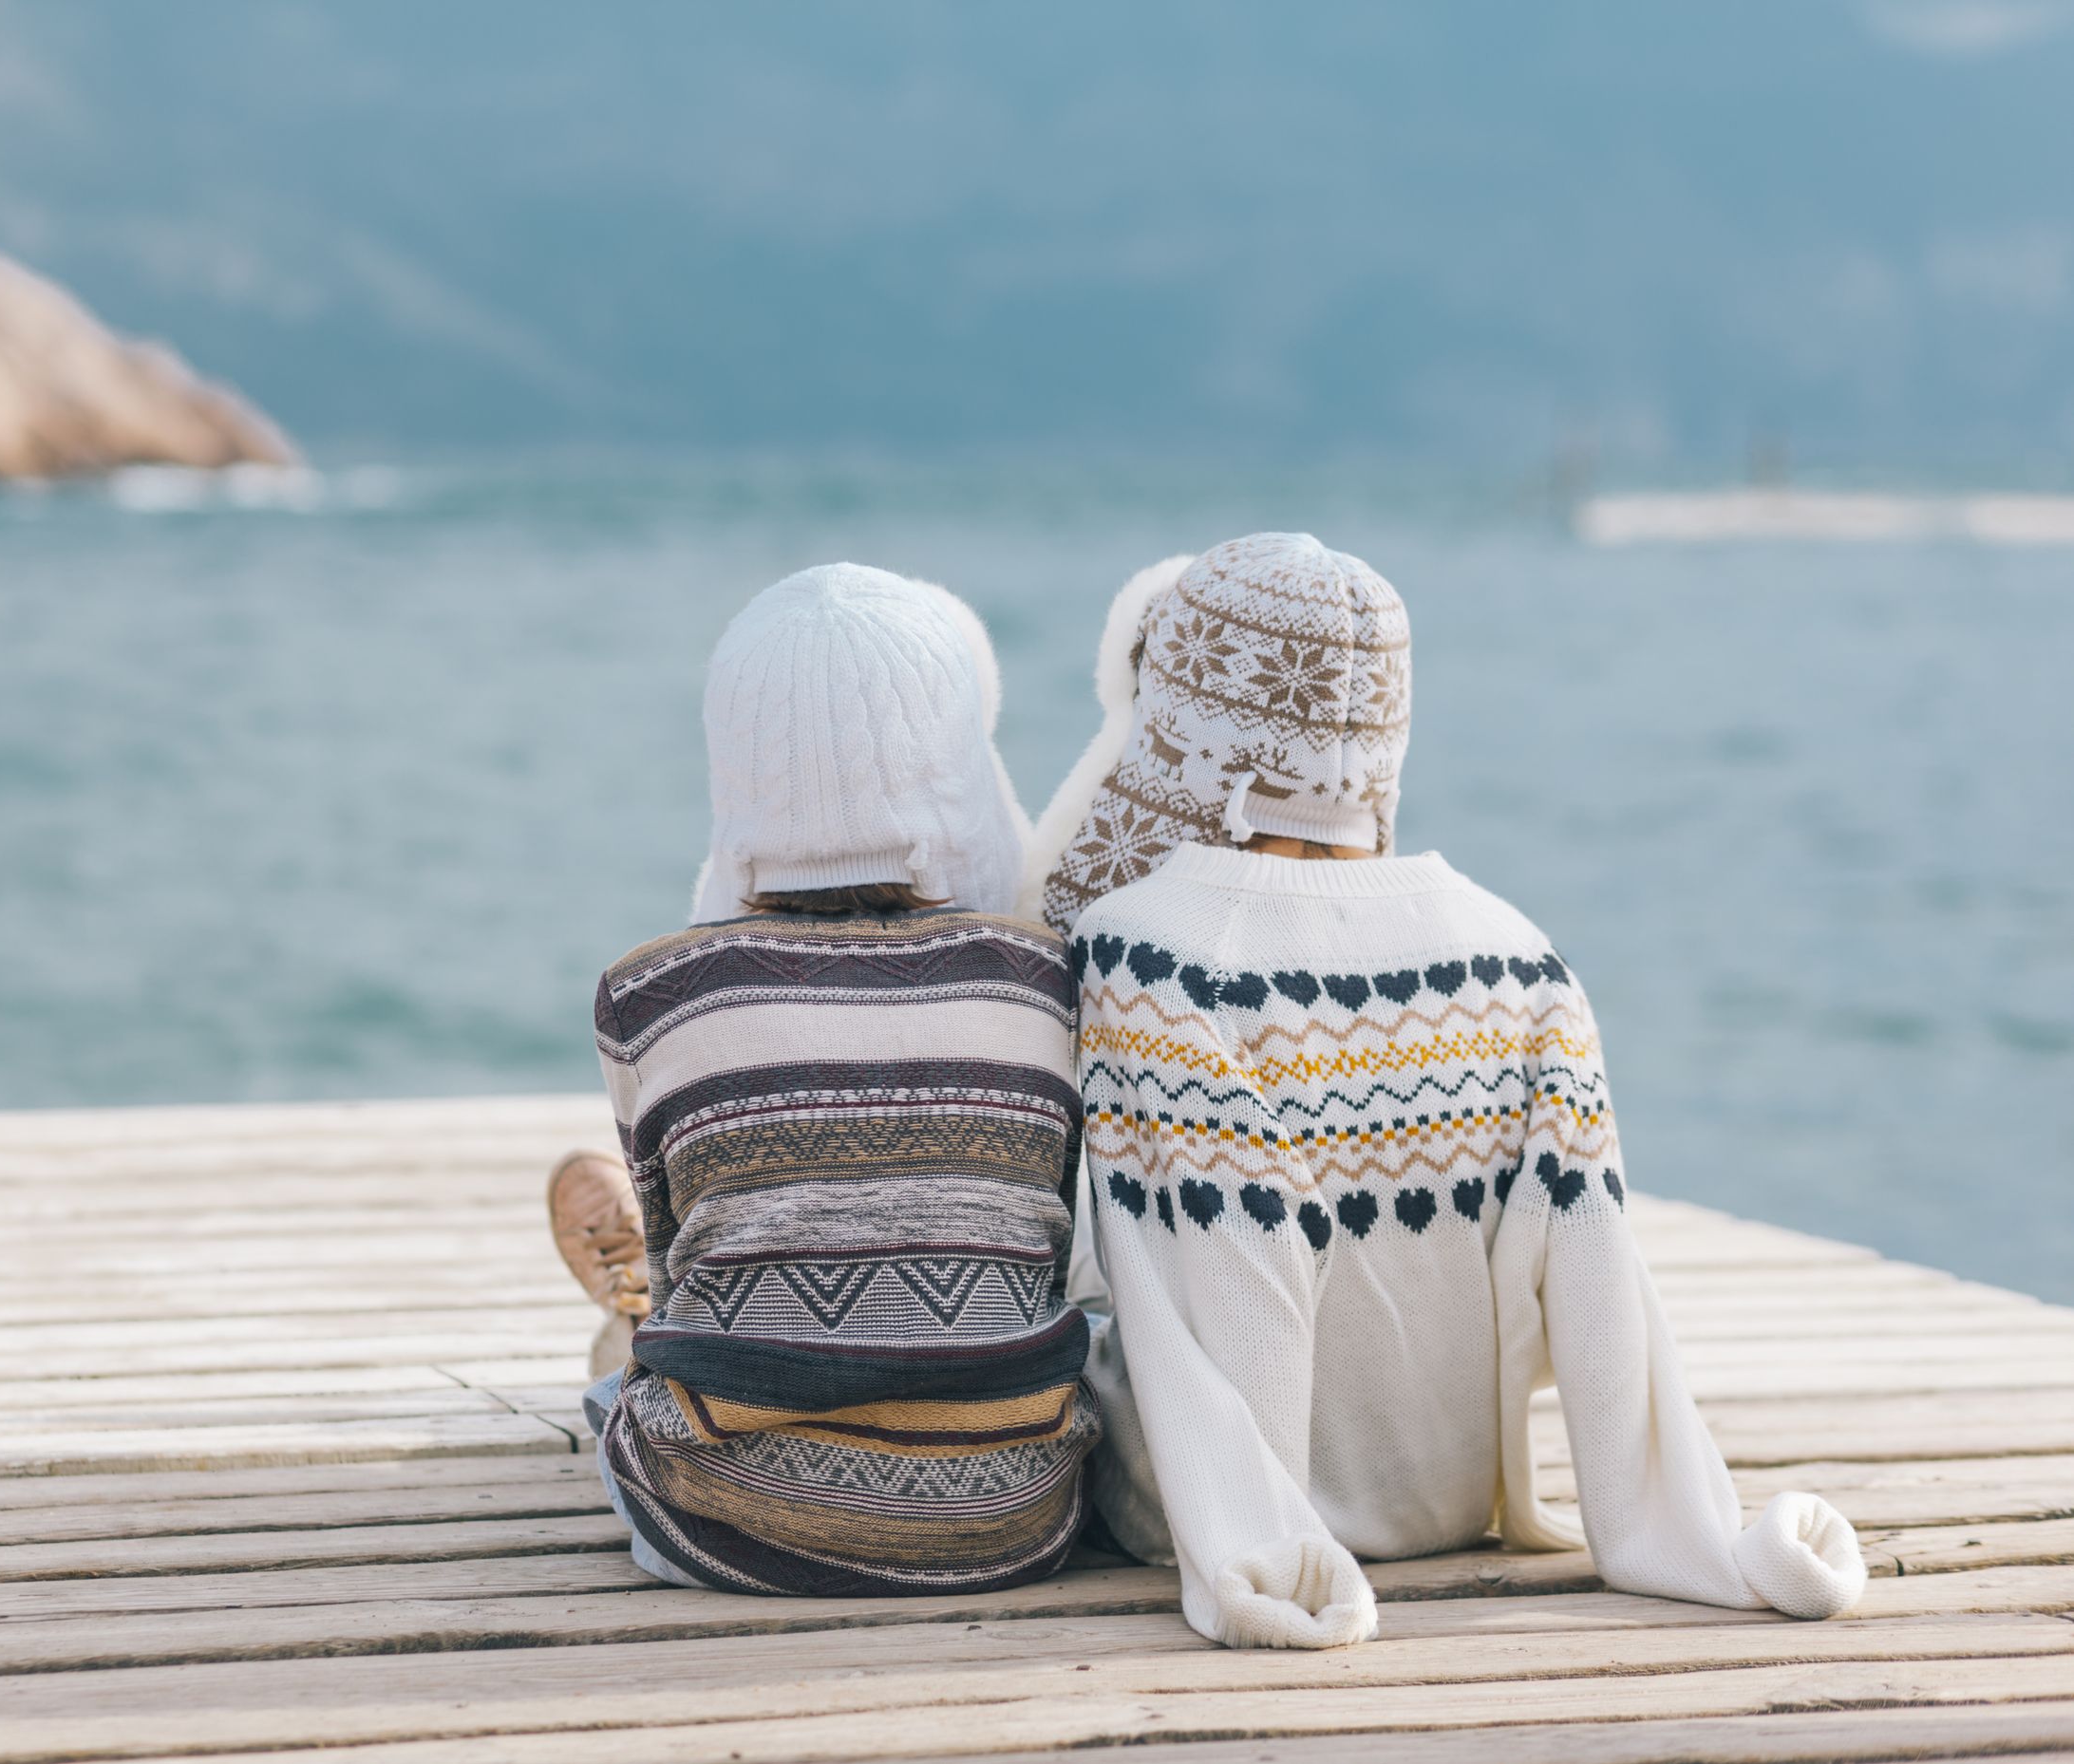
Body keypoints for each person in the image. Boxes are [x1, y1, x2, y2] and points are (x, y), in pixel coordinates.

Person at [1021, 532, 1866, 1647]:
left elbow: (1235, 1262)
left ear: (1182, 718)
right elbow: (1599, 1273)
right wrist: (1664, 1518)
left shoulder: (1148, 953)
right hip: (1451, 1508)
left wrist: (1260, 1523)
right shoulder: (1517, 954)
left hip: (1214, 1504)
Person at [545, 561, 1101, 1595]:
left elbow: (685, 1265)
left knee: (631, 1354)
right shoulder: (1046, 987)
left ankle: (609, 1320)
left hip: (720, 1529)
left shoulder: (652, 995)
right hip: (1017, 1521)